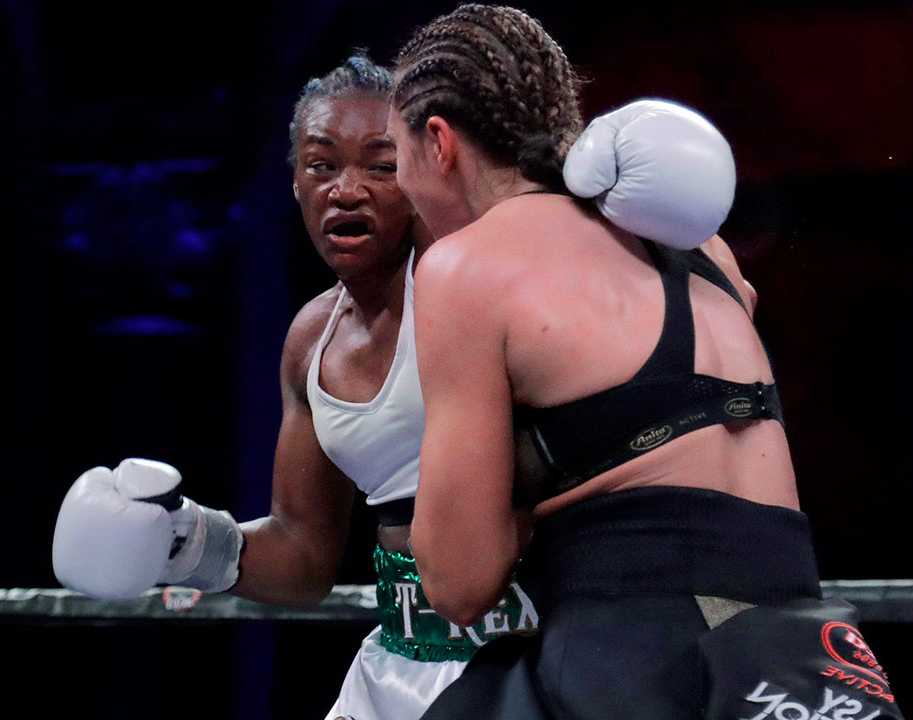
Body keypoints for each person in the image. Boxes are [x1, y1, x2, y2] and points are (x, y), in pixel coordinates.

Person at [51, 51, 739, 720]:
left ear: (420, 168)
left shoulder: (481, 278)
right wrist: (183, 541)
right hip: (401, 665)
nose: (346, 190)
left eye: (381, 166)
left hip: (543, 659)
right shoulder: (311, 340)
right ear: (295, 181)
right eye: (321, 165)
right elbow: (305, 551)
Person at [388, 6, 905, 720]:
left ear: (439, 142)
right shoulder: (708, 253)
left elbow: (458, 584)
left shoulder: (464, 269)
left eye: (394, 160)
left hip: (636, 649)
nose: (401, 191)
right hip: (803, 656)